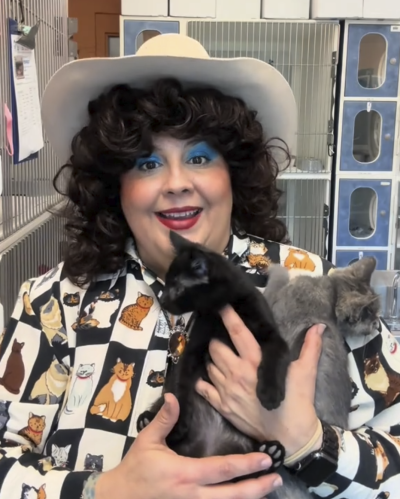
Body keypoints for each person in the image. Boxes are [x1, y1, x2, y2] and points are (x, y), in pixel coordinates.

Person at [0, 34, 398, 499]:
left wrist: (309, 442)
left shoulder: (317, 285)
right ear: (115, 186)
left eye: (199, 157)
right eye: (147, 163)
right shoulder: (53, 304)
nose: (176, 183)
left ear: (233, 173)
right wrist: (103, 490)